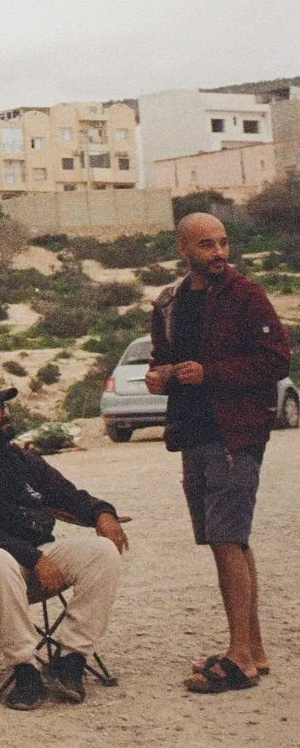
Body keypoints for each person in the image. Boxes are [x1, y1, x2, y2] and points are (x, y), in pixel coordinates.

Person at [146, 211, 291, 694]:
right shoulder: (169, 301)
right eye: (207, 245)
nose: (220, 254)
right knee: (227, 539)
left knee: (228, 538)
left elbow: (275, 360)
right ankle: (254, 648)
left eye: (224, 243)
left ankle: (240, 659)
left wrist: (210, 372)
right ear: (184, 249)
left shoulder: (245, 294)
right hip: (195, 431)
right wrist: (159, 376)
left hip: (235, 433)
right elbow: (162, 359)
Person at [0, 381, 128, 710]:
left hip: (33, 558)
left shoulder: (19, 458)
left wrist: (102, 513)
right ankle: (25, 670)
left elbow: (65, 493)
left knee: (102, 553)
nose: (6, 415)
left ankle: (70, 661)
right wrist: (33, 557)